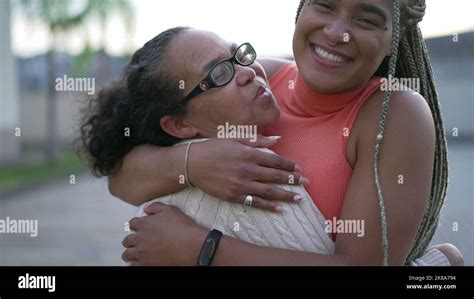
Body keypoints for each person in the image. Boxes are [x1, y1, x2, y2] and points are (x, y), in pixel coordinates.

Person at [82, 0, 463, 266]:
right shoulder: (264, 79)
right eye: (325, 4)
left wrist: (202, 249)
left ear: (391, 39)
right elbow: (122, 182)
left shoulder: (392, 113)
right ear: (302, 9)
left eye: (366, 19)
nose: (337, 32)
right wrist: (192, 162)